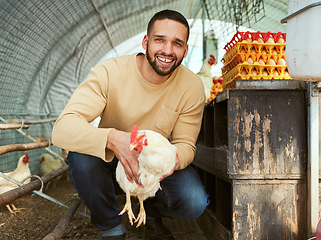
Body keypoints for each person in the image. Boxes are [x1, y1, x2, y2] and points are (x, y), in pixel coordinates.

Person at [52, 9, 209, 240]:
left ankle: (151, 214)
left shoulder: (192, 86)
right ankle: (111, 227)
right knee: (80, 158)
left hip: (152, 167)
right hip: (109, 161)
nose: (167, 50)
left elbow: (186, 144)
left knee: (194, 201)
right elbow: (62, 128)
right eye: (159, 40)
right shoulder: (109, 72)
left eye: (177, 44)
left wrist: (168, 161)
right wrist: (113, 139)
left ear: (185, 50)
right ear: (145, 41)